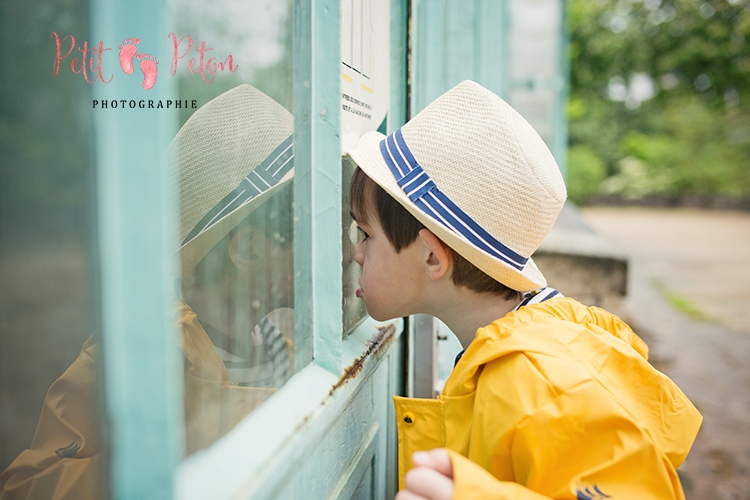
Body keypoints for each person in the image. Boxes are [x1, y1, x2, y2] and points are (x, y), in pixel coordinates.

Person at [345, 80, 702, 499]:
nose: (356, 254)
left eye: (364, 233)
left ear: (431, 258)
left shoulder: (544, 384)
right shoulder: (512, 358)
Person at [0, 85, 296, 499]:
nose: (344, 244)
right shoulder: (140, 357)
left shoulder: (279, 347)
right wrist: (180, 448)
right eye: (301, 219)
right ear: (247, 249)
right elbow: (25, 486)